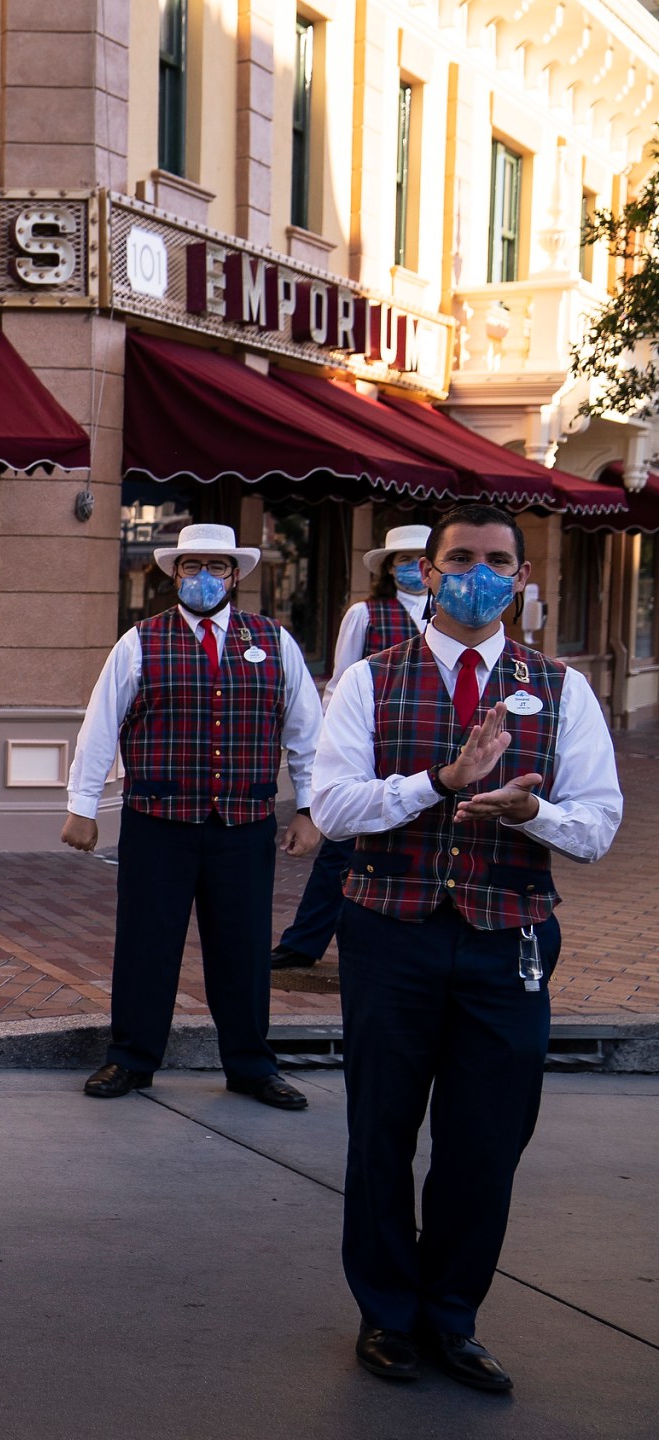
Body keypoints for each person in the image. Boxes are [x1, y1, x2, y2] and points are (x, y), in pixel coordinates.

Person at [310, 504, 620, 1392]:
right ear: (428, 572)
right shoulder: (371, 680)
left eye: (496, 561)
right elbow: (332, 808)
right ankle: (387, 1315)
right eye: (459, 559)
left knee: (487, 1140)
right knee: (380, 1130)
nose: (476, 574)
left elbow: (597, 828)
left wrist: (535, 814)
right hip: (389, 933)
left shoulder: (561, 687)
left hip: (508, 940)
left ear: (520, 580)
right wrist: (437, 783)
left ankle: (453, 1315)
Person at [63, 522, 322, 1111]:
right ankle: (130, 1058)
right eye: (191, 567)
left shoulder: (274, 642)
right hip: (158, 819)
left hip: (244, 821)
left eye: (217, 568)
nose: (203, 579)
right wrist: (82, 806)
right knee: (146, 944)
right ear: (173, 575)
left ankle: (251, 1066)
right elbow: (99, 727)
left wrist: (309, 808)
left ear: (236, 576)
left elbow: (308, 734)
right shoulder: (139, 641)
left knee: (245, 948)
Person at [270, 524, 431, 970]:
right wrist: (329, 746)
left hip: (427, 748)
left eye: (420, 558)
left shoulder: (451, 615)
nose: (412, 568)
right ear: (387, 567)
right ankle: (305, 941)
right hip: (370, 744)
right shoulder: (367, 613)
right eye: (402, 560)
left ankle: (400, 945)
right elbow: (339, 682)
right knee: (342, 847)